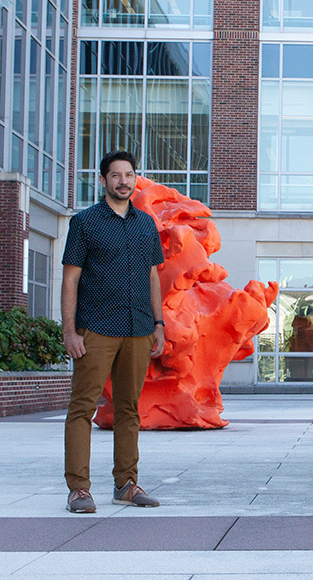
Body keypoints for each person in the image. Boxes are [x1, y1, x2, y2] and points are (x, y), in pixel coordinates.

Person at [61, 150, 166, 513]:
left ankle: (126, 484)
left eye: (129, 175)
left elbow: (153, 275)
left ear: (135, 179)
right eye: (116, 175)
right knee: (82, 408)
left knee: (129, 410)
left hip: (138, 329)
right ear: (103, 180)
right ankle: (78, 489)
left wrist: (159, 324)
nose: (124, 181)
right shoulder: (85, 223)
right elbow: (70, 278)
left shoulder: (146, 224)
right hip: (96, 328)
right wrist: (70, 331)